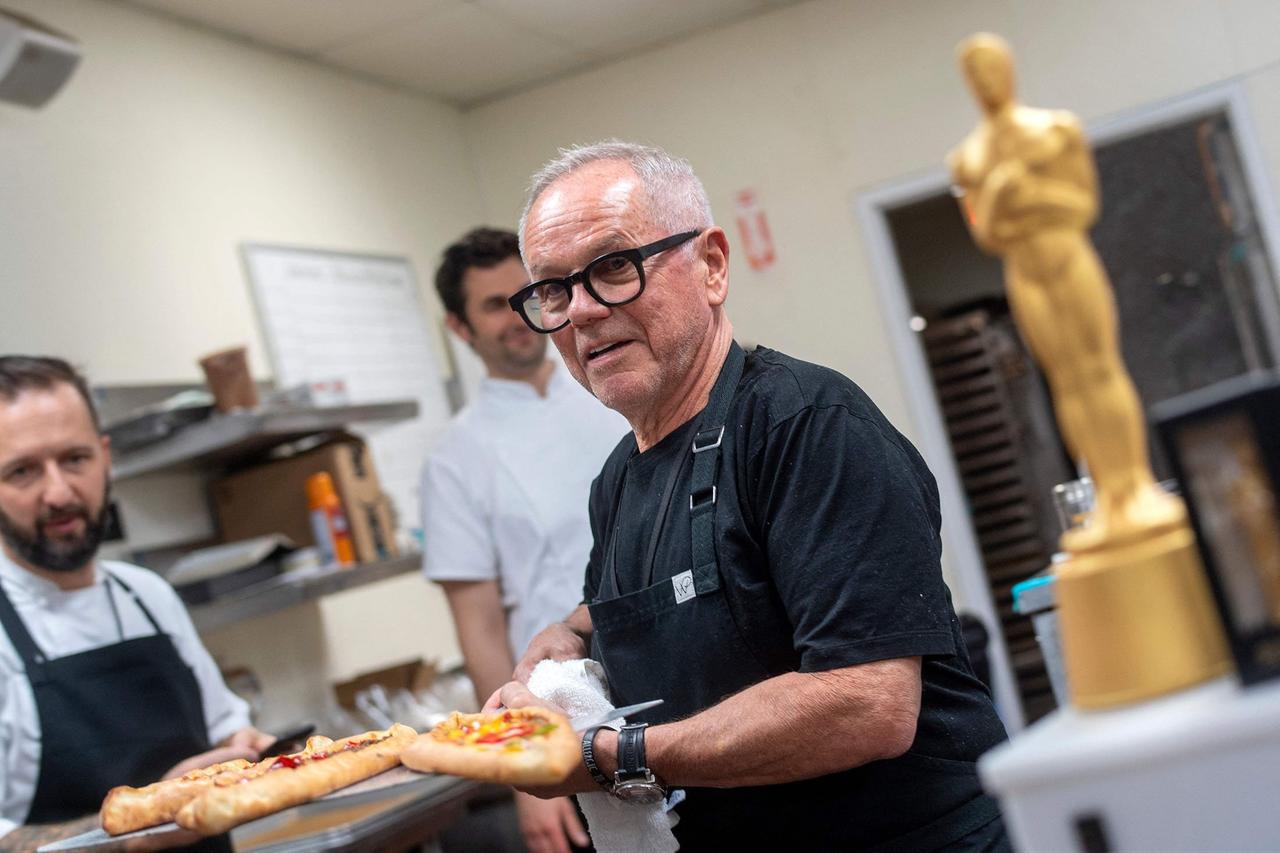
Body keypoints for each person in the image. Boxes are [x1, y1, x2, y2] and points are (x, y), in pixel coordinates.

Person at [488, 141, 1012, 850]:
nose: (579, 311)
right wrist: (574, 632)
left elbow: (866, 702)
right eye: (553, 289)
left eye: (613, 266)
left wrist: (608, 754)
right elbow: (689, 589)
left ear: (711, 265)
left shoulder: (807, 426)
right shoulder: (616, 482)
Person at [0, 356, 274, 849]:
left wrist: (248, 750)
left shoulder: (147, 594)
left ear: (105, 457)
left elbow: (225, 732)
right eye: (23, 471)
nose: (59, 492)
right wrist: (135, 830)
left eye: (75, 459)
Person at [422, 228, 628, 853]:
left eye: (526, 293)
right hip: (557, 710)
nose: (518, 315)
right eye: (492, 305)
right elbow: (480, 624)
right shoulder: (454, 457)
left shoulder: (612, 385)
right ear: (460, 328)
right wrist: (519, 774)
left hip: (667, 669)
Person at [948, 32, 1183, 553]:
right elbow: (987, 233)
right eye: (975, 74)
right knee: (1067, 381)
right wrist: (1002, 194)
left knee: (1101, 367)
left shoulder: (1056, 130)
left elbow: (1082, 205)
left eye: (993, 68)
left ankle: (1135, 484)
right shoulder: (970, 159)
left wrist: (1026, 191)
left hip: (1068, 258)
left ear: (1009, 70)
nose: (987, 81)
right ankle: (1107, 493)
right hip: (1025, 272)